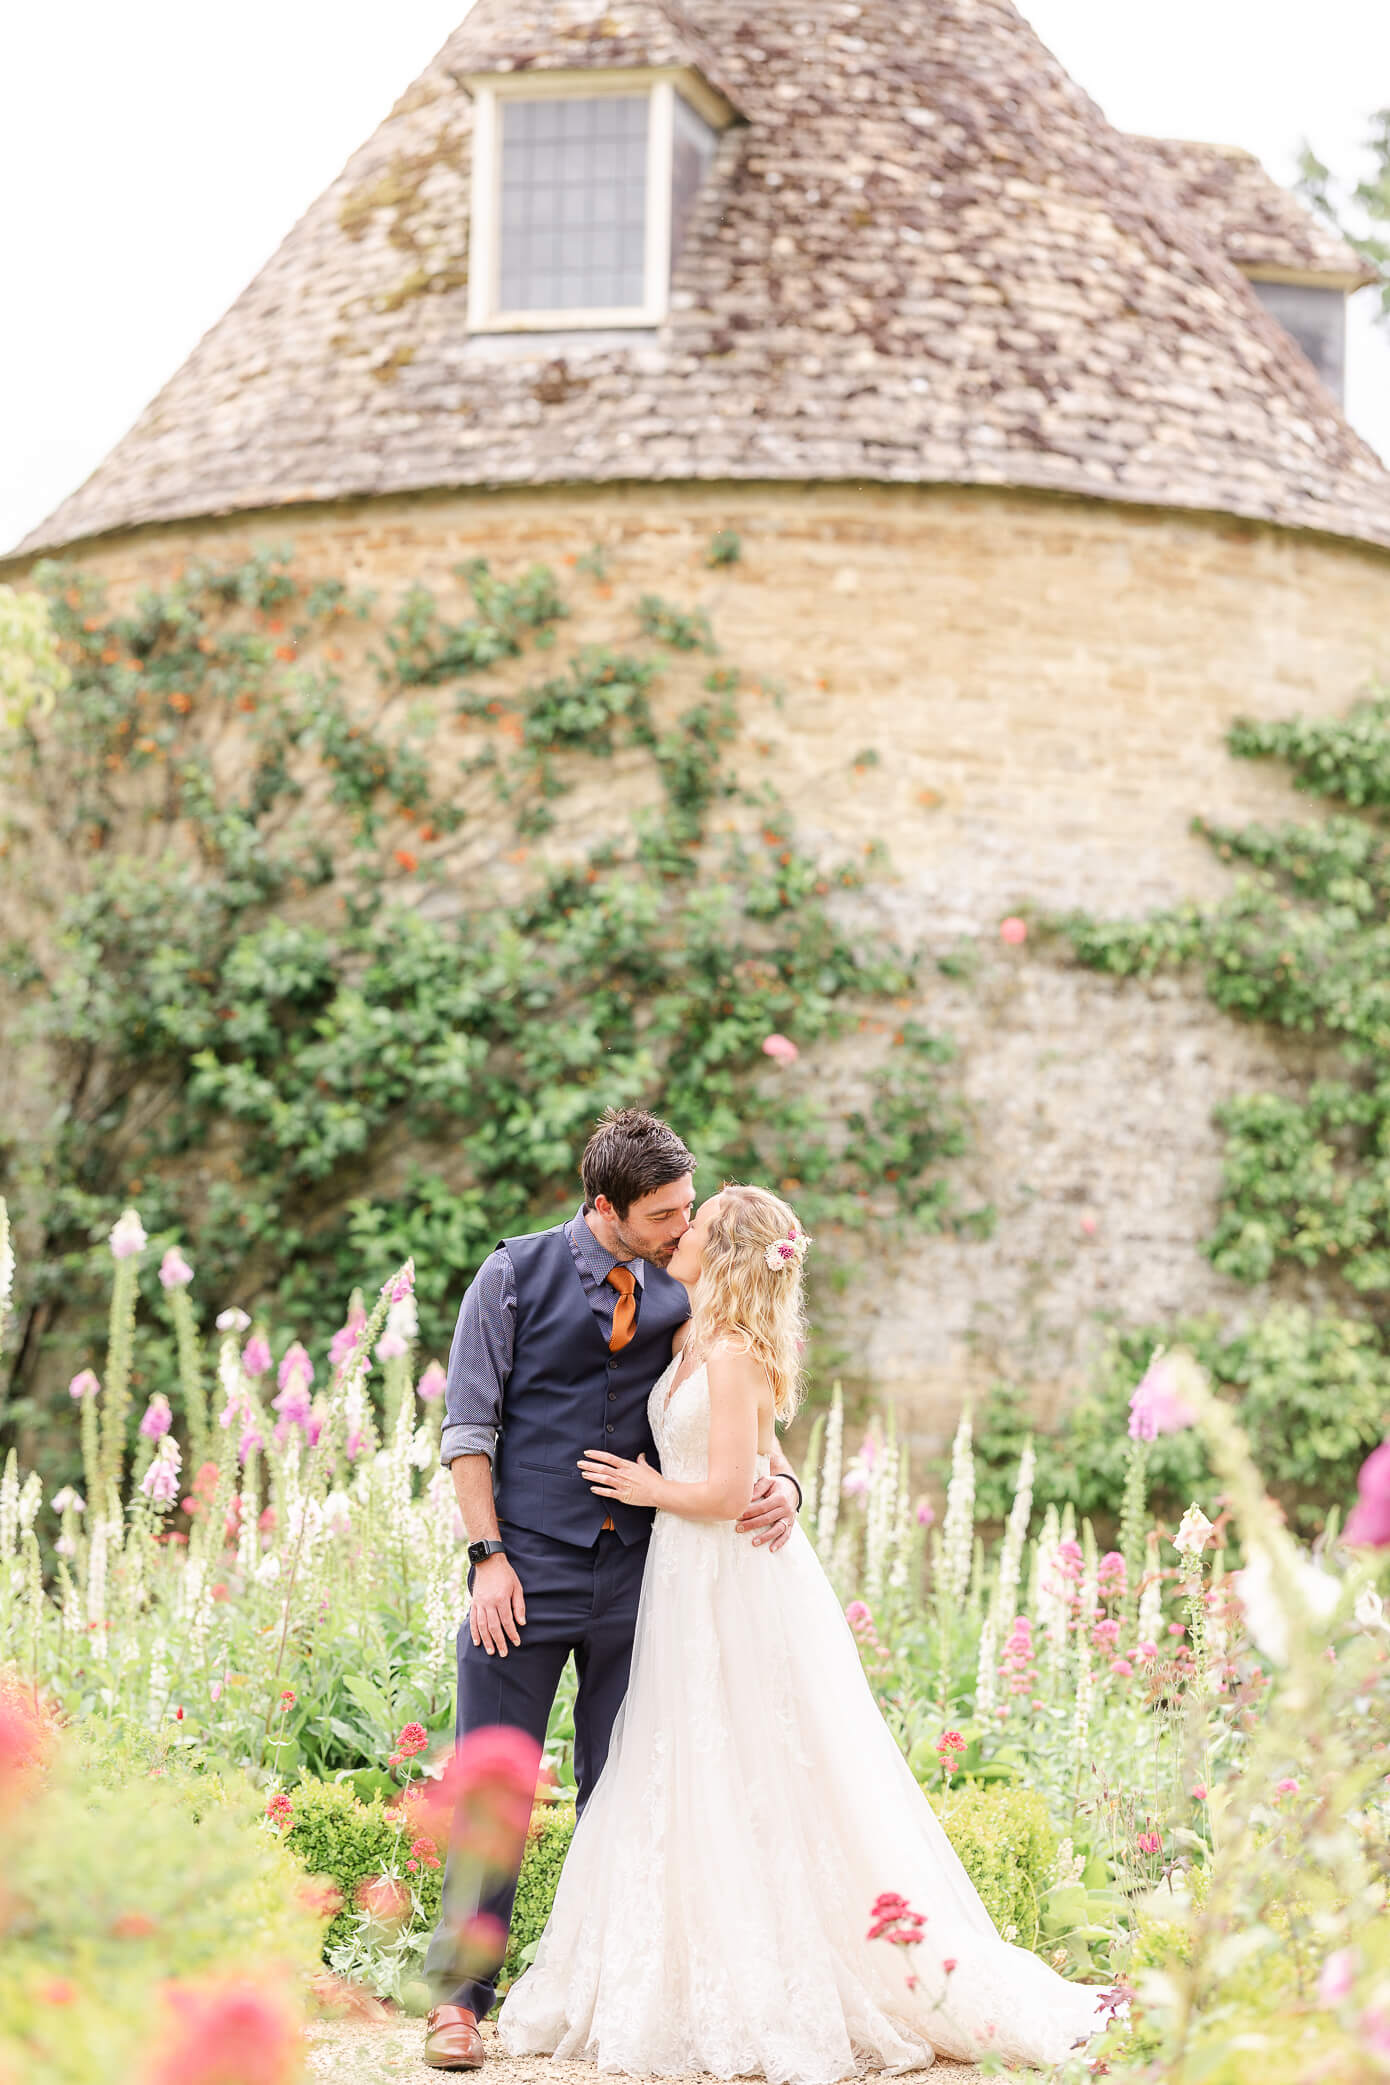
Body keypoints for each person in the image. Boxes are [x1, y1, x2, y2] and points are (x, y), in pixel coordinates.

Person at [497, 1184, 1115, 2080]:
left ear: (731, 1250)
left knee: (761, 1759)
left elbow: (722, 1490)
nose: (682, 1231)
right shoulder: (687, 1332)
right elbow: (762, 1462)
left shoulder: (739, 1354)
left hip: (730, 1572)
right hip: (683, 1578)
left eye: (697, 1225)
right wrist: (773, 1482)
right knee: (686, 1756)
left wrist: (650, 1489)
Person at [422, 1113, 804, 2070]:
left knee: (629, 1790)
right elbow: (469, 1431)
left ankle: (604, 1985)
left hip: (650, 1581)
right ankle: (458, 2001)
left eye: (687, 1208)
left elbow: (750, 1405)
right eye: (664, 1214)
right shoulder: (510, 1277)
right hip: (527, 1571)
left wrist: (789, 1482)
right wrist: (488, 1558)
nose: (683, 1228)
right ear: (606, 1207)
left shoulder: (688, 1292)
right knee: (494, 1785)